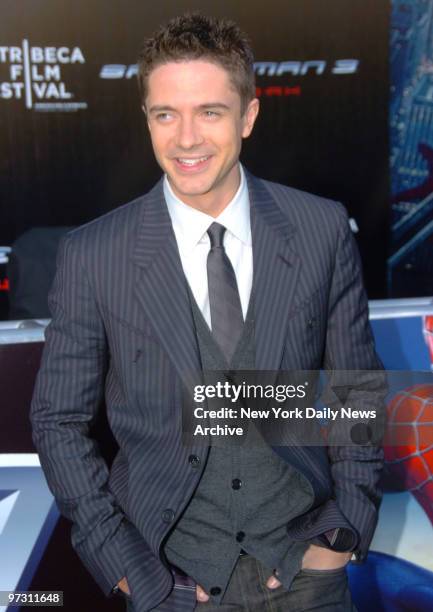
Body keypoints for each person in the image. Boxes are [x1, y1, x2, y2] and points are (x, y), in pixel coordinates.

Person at [30, 13, 386, 612]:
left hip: (308, 571)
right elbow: (57, 422)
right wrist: (124, 566)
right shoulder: (95, 254)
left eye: (210, 112)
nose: (186, 138)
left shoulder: (319, 227)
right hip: (169, 582)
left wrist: (343, 530)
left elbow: (357, 386)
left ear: (247, 116)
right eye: (166, 114)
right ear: (147, 118)